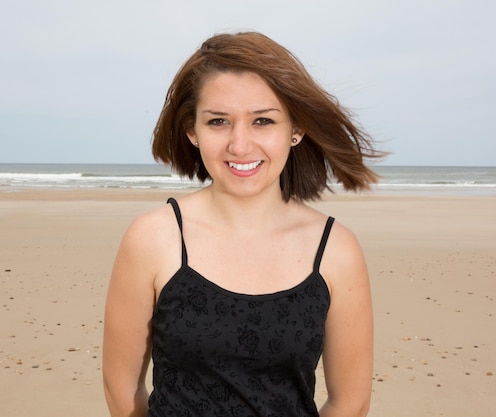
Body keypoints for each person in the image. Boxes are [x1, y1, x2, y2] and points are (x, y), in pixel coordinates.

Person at [103, 31, 385, 417]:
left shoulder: (336, 249)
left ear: (296, 130)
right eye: (218, 121)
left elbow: (351, 403)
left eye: (262, 121)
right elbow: (121, 389)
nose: (239, 145)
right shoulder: (153, 238)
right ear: (193, 132)